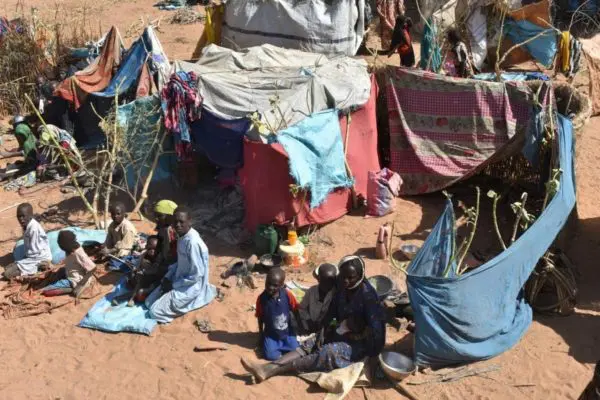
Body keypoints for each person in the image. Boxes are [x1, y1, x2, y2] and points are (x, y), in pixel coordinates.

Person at [241, 255, 386, 382]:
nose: (346, 280)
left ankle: (272, 370)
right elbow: (333, 309)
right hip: (343, 330)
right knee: (313, 342)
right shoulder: (342, 287)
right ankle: (267, 367)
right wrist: (323, 328)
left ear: (360, 275)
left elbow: (378, 330)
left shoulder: (368, 297)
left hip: (361, 344)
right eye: (343, 276)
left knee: (326, 352)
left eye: (351, 277)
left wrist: (374, 356)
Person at [145, 207, 217, 323]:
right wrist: (168, 277)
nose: (177, 225)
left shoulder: (192, 243)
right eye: (175, 222)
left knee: (154, 312)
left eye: (181, 222)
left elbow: (196, 276)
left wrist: (173, 285)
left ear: (190, 221)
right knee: (148, 302)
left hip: (191, 286)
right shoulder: (182, 237)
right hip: (179, 279)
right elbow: (179, 263)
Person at [256, 267, 300, 361]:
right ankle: (280, 353)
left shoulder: (287, 295)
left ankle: (284, 352)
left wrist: (297, 327)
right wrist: (261, 334)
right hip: (271, 334)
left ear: (282, 285)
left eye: (275, 285)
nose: (270, 287)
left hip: (287, 332)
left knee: (296, 349)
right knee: (270, 356)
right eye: (268, 283)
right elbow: (259, 317)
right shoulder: (262, 299)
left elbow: (296, 309)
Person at [3, 203, 52, 279]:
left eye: (23, 216)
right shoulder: (26, 225)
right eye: (19, 216)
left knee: (7, 274)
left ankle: (41, 266)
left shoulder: (34, 229)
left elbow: (35, 251)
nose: (21, 219)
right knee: (8, 268)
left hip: (39, 258)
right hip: (32, 256)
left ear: (30, 216)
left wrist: (24, 259)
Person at [297, 263, 337, 335]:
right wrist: (309, 320)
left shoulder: (335, 295)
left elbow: (335, 317)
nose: (328, 285)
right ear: (318, 279)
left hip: (326, 325)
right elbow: (302, 308)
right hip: (309, 322)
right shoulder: (311, 291)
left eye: (331, 282)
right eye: (324, 282)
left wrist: (328, 326)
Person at [125, 235, 165, 306]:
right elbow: (137, 265)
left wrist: (143, 271)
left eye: (155, 249)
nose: (152, 251)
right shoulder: (144, 254)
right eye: (150, 248)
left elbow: (155, 270)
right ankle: (136, 291)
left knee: (141, 286)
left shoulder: (160, 257)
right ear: (146, 246)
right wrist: (135, 269)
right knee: (130, 276)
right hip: (143, 276)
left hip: (154, 280)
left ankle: (131, 298)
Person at [57, 230, 97, 296]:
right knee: (58, 272)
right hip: (70, 274)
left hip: (76, 280)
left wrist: (80, 285)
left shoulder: (78, 252)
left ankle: (72, 288)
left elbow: (93, 268)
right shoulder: (69, 250)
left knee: (47, 291)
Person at [0, 116, 38, 181]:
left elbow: (22, 138)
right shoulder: (26, 128)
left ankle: (5, 175)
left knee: (27, 168)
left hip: (33, 157)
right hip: (33, 153)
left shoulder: (20, 128)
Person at [154, 199, 178, 267]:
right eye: (155, 215)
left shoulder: (174, 232)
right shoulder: (163, 227)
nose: (156, 218)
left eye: (159, 215)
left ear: (170, 216)